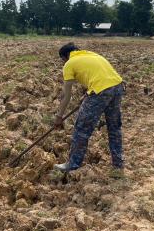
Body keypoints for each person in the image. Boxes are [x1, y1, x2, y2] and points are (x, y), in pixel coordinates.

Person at [53, 42, 124, 174]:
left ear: (65, 57)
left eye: (62, 60)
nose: (63, 63)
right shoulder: (91, 55)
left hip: (100, 91)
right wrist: (88, 94)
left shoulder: (69, 63)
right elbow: (99, 76)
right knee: (114, 128)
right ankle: (118, 165)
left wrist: (59, 117)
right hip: (118, 86)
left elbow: (66, 96)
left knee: (81, 129)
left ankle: (73, 164)